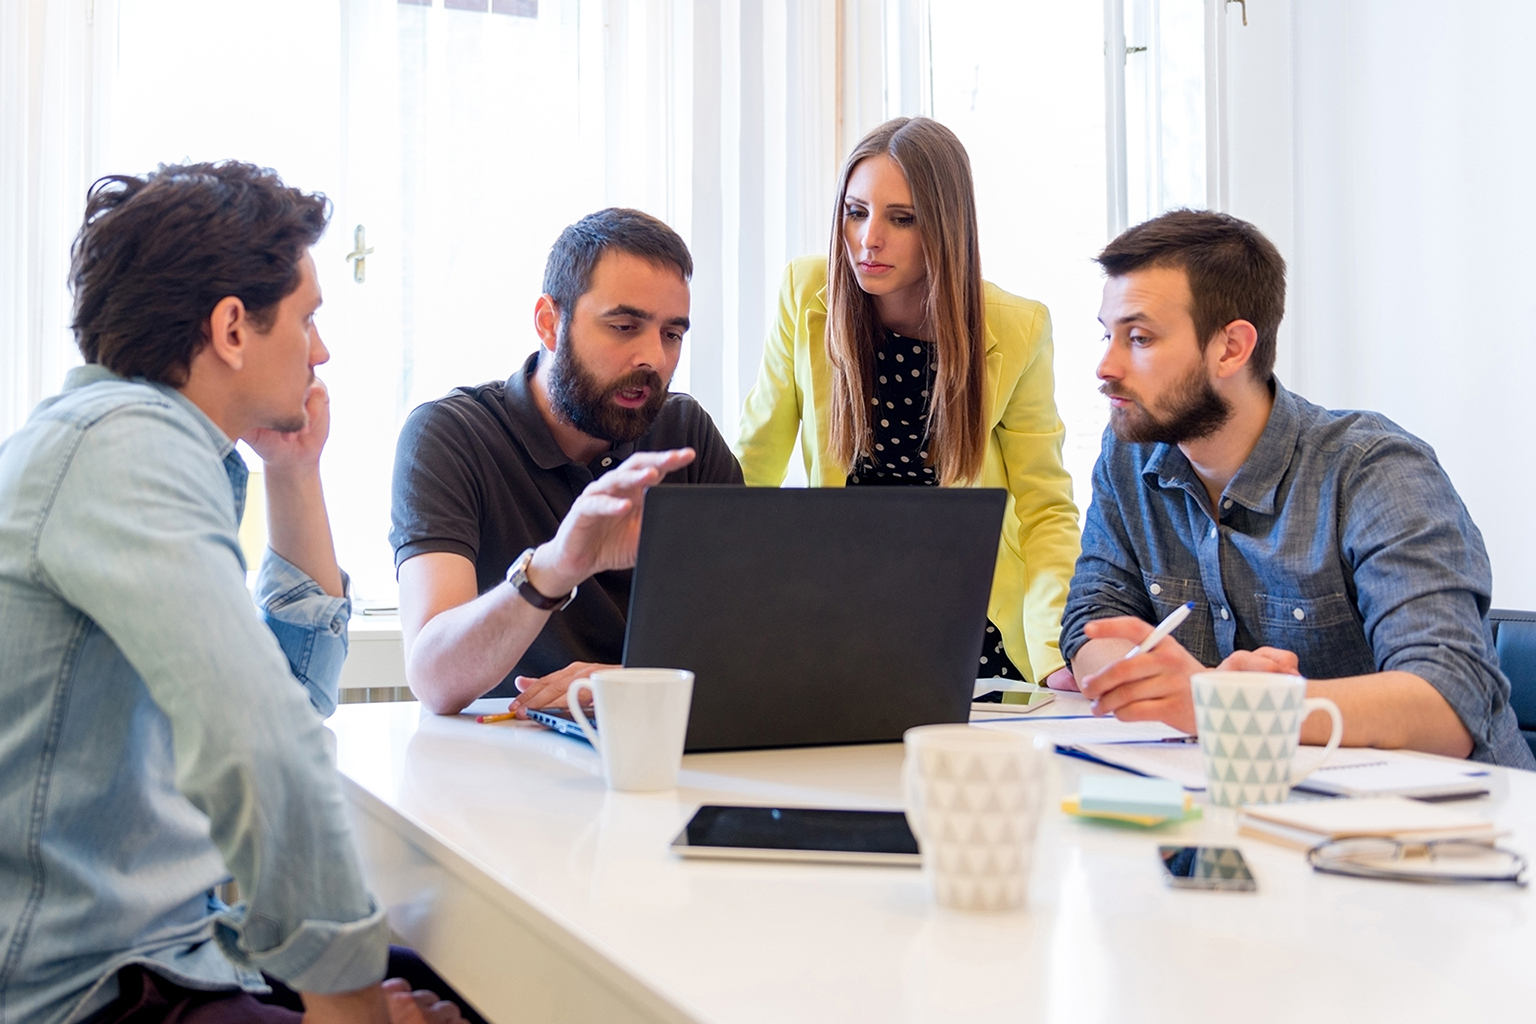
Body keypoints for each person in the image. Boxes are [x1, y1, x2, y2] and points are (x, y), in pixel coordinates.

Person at [0, 162, 479, 1024]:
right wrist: (353, 1014)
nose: (322, 350)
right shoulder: (123, 453)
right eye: (308, 318)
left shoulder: (142, 448)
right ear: (231, 328)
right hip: (81, 987)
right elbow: (267, 745)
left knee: (472, 978)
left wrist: (292, 473)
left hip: (176, 942)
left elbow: (290, 694)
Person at [1062, 208, 1534, 768]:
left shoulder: (1374, 469)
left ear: (1232, 348)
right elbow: (1091, 621)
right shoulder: (1129, 454)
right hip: (1253, 817)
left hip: (1449, 835)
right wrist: (1162, 682)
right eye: (1106, 335)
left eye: (1138, 338)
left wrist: (1224, 706)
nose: (1105, 366)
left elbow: (1448, 707)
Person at [734, 117, 1081, 689]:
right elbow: (752, 463)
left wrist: (1055, 653)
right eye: (856, 211)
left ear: (945, 227)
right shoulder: (806, 293)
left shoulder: (1018, 326)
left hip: (971, 622)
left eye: (902, 219)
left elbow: (1047, 510)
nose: (869, 238)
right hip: (835, 613)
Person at [392, 208, 742, 717]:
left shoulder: (683, 431)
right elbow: (434, 680)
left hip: (652, 740)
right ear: (549, 323)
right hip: (504, 750)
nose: (654, 358)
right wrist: (554, 568)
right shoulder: (450, 436)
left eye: (672, 334)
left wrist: (632, 684)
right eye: (624, 326)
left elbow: (754, 636)